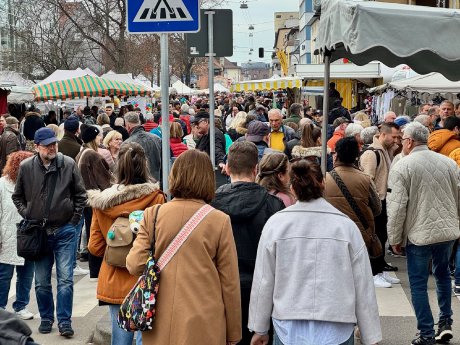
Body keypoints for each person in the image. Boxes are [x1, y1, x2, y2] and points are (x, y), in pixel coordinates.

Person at [248, 159, 382, 345]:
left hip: (288, 322)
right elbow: (363, 284)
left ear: (292, 188)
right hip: (337, 323)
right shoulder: (346, 226)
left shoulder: (276, 225)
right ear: (323, 184)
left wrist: (259, 327)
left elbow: (264, 280)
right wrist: (370, 335)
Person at [126, 149, 241, 345]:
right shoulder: (219, 220)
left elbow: (135, 265)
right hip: (205, 321)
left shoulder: (152, 215)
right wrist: (234, 332)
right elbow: (229, 283)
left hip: (158, 318)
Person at [387, 122, 460, 345]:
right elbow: (457, 196)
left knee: (418, 284)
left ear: (409, 141)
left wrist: (394, 238)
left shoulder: (403, 166)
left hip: (419, 232)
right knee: (442, 276)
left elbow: (397, 206)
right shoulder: (448, 163)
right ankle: (445, 322)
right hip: (446, 231)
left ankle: (426, 333)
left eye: (402, 140)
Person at [87, 142, 165, 345]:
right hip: (146, 279)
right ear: (145, 165)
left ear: (118, 166)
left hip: (114, 277)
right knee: (145, 338)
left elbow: (94, 247)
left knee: (120, 338)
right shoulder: (156, 199)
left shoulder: (102, 203)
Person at [12, 127, 87, 337]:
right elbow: (17, 196)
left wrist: (73, 220)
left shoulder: (68, 163)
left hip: (64, 230)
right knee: (42, 281)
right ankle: (46, 317)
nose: (53, 147)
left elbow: (81, 195)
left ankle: (64, 321)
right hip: (39, 232)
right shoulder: (26, 167)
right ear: (37, 147)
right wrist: (28, 213)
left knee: (65, 279)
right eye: (47, 145)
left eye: (54, 143)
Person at [211, 142, 284, 345]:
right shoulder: (274, 205)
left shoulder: (211, 205)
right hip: (262, 294)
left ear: (228, 168)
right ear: (256, 169)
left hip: (222, 291)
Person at [324, 137, 396, 289]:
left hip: (332, 233)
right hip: (360, 234)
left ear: (336, 155)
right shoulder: (365, 179)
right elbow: (377, 208)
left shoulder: (325, 179)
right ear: (356, 156)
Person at [359, 122, 400, 282]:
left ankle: (380, 267)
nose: (397, 140)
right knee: (375, 236)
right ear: (383, 134)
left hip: (382, 200)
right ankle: (374, 272)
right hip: (375, 202)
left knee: (382, 236)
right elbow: (367, 181)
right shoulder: (372, 153)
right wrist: (372, 202)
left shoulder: (385, 151)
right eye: (394, 136)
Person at [0, 151, 35, 320]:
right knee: (4, 275)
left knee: (26, 274)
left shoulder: (34, 185)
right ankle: (0, 307)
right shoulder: (2, 185)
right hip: (7, 237)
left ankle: (21, 306)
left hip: (29, 237)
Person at [76, 125, 112, 280]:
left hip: (86, 198)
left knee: (92, 234)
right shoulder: (93, 155)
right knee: (97, 234)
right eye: (99, 136)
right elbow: (105, 179)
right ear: (93, 138)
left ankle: (94, 269)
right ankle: (96, 269)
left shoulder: (82, 152)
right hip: (96, 200)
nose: (101, 138)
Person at [123, 112, 162, 182]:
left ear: (127, 125)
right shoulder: (157, 139)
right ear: (139, 122)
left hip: (138, 185)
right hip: (157, 182)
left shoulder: (127, 144)